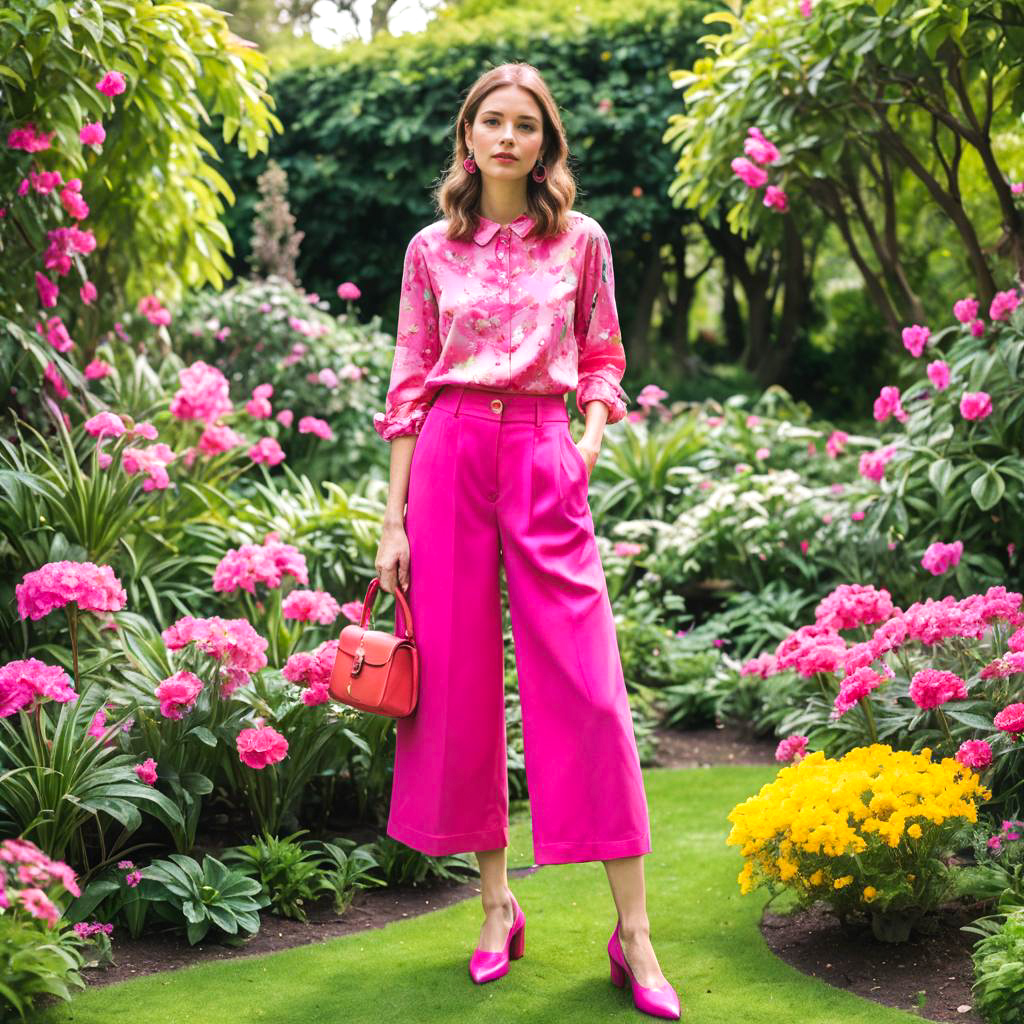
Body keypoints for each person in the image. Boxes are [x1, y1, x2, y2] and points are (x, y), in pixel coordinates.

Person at [372, 61, 680, 1019]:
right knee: (460, 686)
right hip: (452, 453)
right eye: (493, 122)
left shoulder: (581, 240)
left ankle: (633, 934)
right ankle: (495, 904)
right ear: (470, 137)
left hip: (547, 451)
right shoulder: (431, 249)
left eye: (527, 125)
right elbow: (410, 380)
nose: (508, 137)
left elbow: (603, 353)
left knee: (588, 689)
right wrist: (392, 520)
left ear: (546, 143)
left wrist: (584, 445)